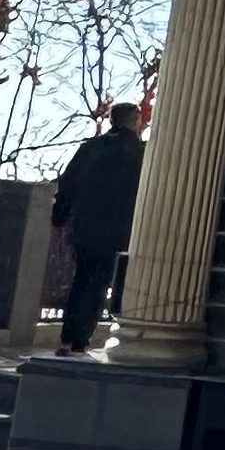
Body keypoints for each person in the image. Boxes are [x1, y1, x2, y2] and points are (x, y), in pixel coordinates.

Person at [50, 104, 147, 354]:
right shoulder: (140, 153)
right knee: (103, 283)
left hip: (85, 226)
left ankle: (68, 337)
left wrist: (60, 214)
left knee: (82, 279)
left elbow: (68, 182)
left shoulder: (90, 148)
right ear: (136, 120)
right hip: (119, 229)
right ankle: (83, 338)